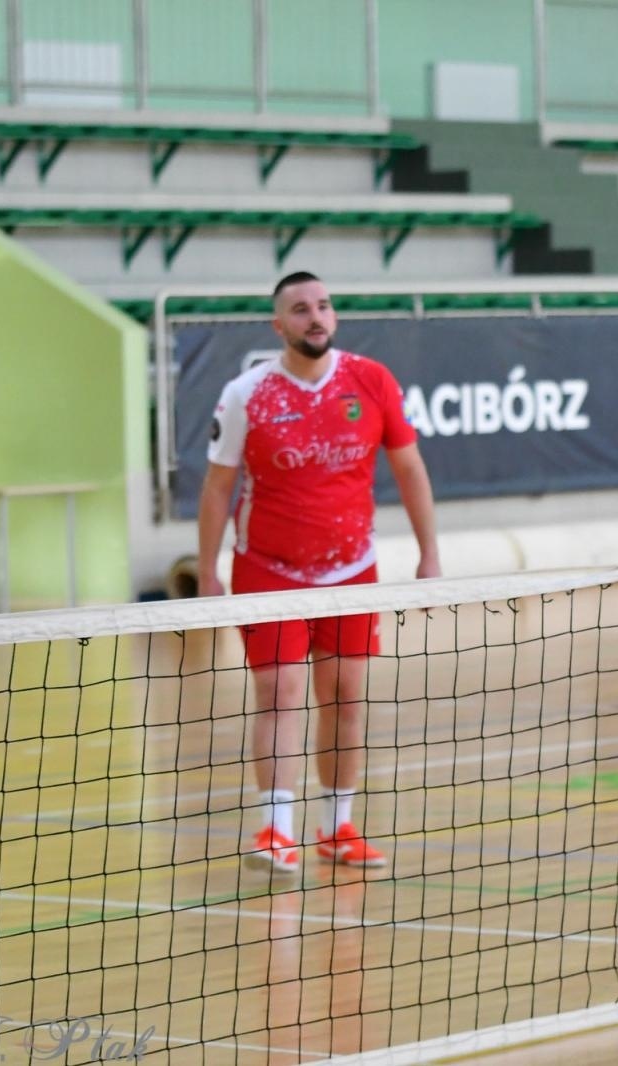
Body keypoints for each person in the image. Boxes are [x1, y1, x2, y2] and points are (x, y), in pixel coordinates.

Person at [198, 271, 441, 874]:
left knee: (346, 697)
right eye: (301, 309)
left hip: (353, 571)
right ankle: (275, 830)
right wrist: (207, 573)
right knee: (278, 694)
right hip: (268, 572)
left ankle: (337, 828)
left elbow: (410, 469)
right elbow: (217, 487)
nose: (315, 316)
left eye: (324, 306)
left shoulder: (371, 380)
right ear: (279, 325)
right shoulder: (246, 393)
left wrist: (428, 553)